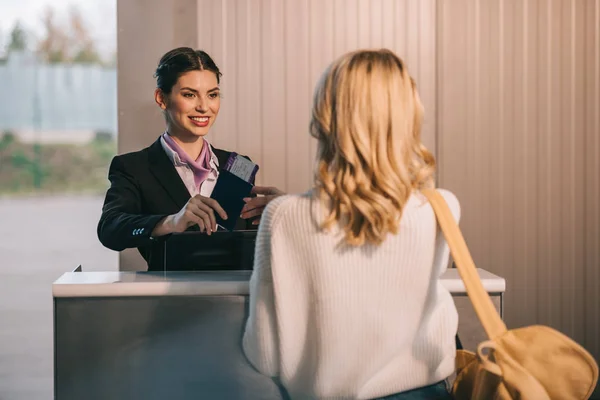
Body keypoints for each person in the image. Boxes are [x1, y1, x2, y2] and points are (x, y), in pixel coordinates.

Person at [242, 49, 460, 399]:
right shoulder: (442, 208)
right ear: (408, 116)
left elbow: (264, 353)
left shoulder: (282, 216)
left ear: (326, 119)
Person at [97, 47, 282, 271]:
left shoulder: (240, 165)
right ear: (161, 98)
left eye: (212, 95)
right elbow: (110, 229)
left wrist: (281, 215)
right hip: (171, 301)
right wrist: (171, 221)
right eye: (189, 94)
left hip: (238, 298)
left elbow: (250, 240)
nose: (204, 107)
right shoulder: (134, 167)